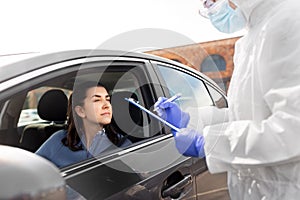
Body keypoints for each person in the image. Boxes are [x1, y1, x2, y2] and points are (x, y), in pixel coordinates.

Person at [155, 0, 300, 199]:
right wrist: (191, 120)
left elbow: (294, 131)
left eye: (211, 2)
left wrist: (209, 142)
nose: (212, 9)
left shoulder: (289, 22)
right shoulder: (255, 35)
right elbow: (245, 116)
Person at [36, 82, 131, 168]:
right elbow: (31, 170)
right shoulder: (60, 140)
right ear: (81, 111)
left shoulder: (121, 143)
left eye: (108, 99)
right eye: (97, 100)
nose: (106, 105)